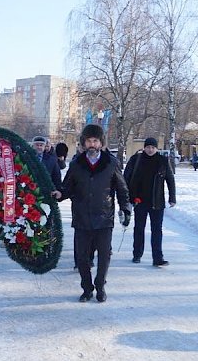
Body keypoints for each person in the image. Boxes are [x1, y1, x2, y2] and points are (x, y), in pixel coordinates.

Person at [59, 124, 131, 303]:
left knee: (104, 255)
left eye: (95, 141)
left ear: (101, 143)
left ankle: (100, 286)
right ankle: (87, 288)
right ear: (84, 143)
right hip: (82, 217)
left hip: (104, 217)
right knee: (82, 257)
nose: (92, 144)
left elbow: (122, 189)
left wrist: (126, 208)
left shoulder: (111, 163)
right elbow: (67, 187)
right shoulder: (76, 164)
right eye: (89, 141)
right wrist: (59, 194)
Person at [124, 137, 176, 267]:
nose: (150, 150)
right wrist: (128, 197)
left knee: (157, 230)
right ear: (144, 147)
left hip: (157, 202)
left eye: (153, 147)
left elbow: (170, 180)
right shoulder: (136, 160)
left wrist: (172, 197)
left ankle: (158, 258)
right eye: (148, 147)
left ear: (156, 148)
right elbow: (126, 178)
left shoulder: (162, 161)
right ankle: (137, 254)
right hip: (139, 201)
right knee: (139, 228)